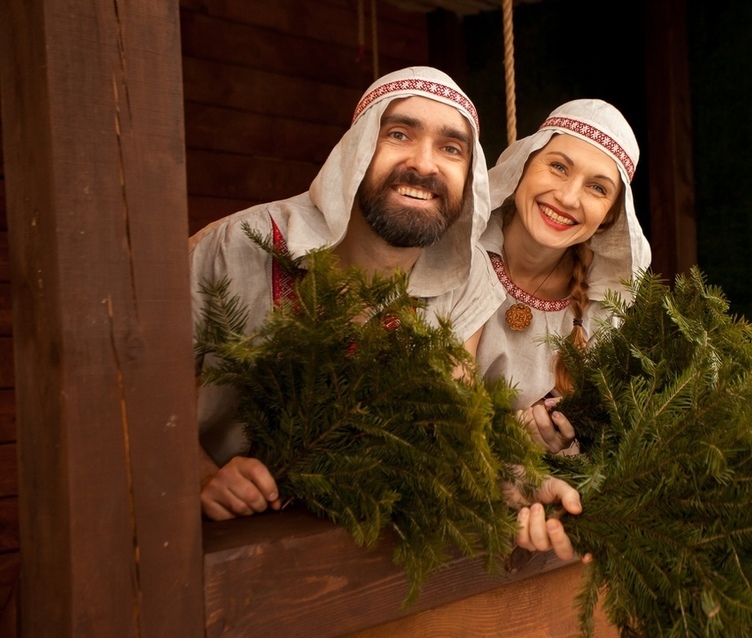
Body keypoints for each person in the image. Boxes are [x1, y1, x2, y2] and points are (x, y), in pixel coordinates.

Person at [190, 67, 584, 561]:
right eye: (399, 134)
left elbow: (451, 432)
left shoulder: (469, 282)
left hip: (350, 552)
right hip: (205, 547)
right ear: (357, 150)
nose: (424, 164)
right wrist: (200, 476)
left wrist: (523, 484)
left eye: (452, 149)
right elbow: (134, 392)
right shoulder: (234, 246)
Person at [476, 99, 651, 458]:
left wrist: (555, 439)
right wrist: (507, 435)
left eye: (597, 188)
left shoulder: (599, 312)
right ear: (523, 167)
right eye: (558, 167)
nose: (568, 198)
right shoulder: (463, 251)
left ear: (608, 217)